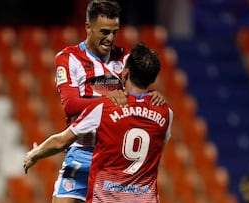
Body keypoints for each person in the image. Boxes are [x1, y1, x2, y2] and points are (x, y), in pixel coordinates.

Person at [24, 44, 173, 203]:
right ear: (153, 79)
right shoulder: (166, 113)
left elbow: (61, 141)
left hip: (107, 196)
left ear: (125, 73)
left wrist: (34, 155)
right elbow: (157, 150)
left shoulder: (105, 108)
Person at [53, 1, 165, 202]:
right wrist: (106, 100)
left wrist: (153, 96)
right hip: (81, 152)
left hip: (113, 160)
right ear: (88, 27)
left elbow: (138, 95)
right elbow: (70, 105)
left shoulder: (126, 58)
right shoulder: (69, 58)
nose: (110, 38)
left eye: (115, 32)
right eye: (104, 32)